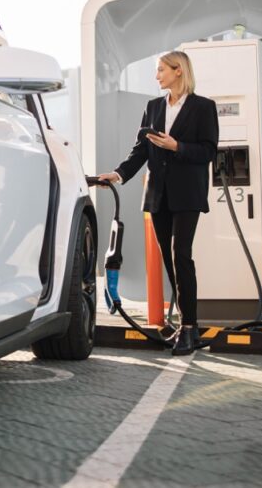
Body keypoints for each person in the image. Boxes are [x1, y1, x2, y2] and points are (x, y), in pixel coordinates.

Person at [98, 50, 218, 356]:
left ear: (178, 71)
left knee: (182, 255)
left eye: (161, 69)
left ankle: (189, 327)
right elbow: (140, 149)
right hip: (158, 194)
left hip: (188, 194)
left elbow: (208, 151)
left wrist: (176, 146)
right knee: (169, 258)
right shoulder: (152, 107)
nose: (157, 75)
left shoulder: (204, 107)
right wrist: (118, 173)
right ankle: (183, 324)